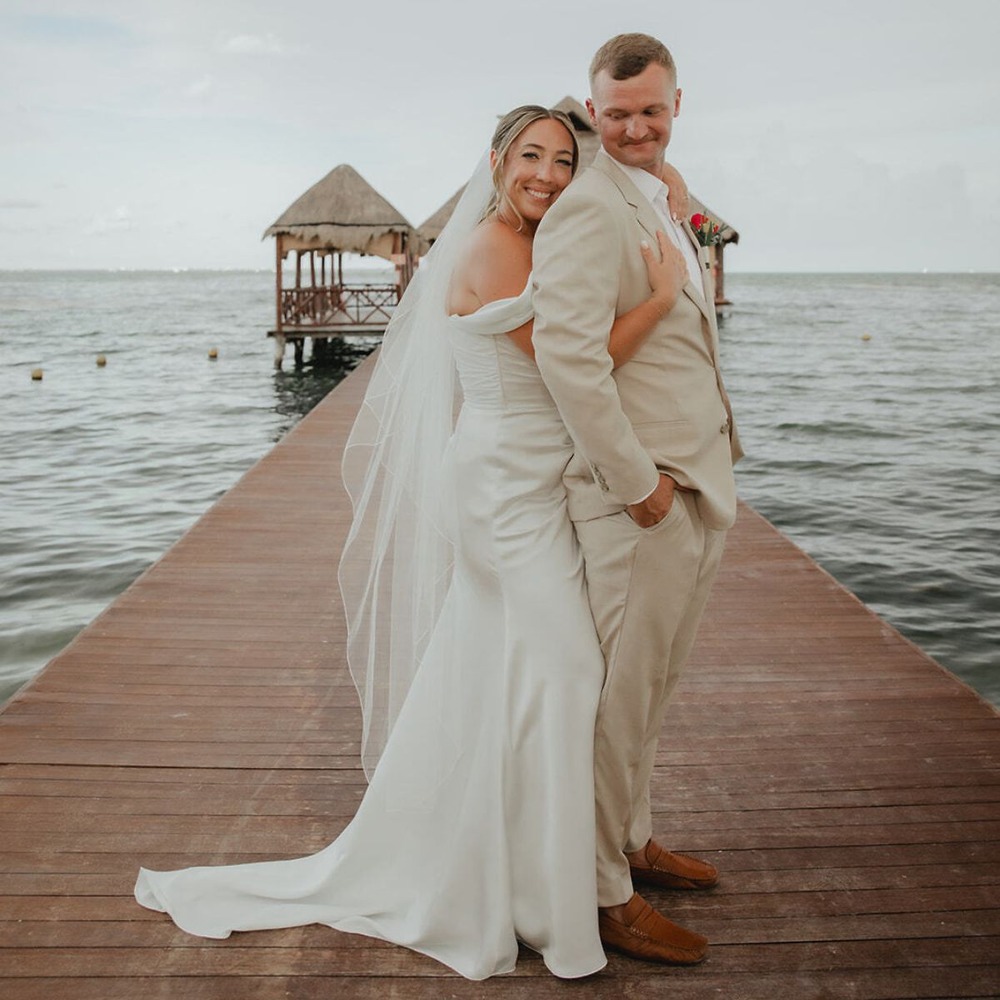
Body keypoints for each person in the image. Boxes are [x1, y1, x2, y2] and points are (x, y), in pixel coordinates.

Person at [134, 105, 689, 980]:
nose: (547, 173)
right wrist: (661, 297)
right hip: (506, 491)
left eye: (562, 161)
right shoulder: (496, 248)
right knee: (569, 672)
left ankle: (529, 866)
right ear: (500, 160)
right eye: (531, 156)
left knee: (511, 676)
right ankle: (564, 899)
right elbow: (571, 364)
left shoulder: (537, 240)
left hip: (530, 482)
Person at [531, 33, 744, 966]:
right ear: (590, 108)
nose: (633, 129)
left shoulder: (657, 195)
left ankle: (632, 837)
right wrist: (640, 490)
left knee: (653, 687)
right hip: (639, 498)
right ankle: (602, 893)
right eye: (614, 115)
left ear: (676, 104)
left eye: (650, 111)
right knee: (616, 699)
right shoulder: (586, 208)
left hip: (697, 481)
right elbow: (568, 360)